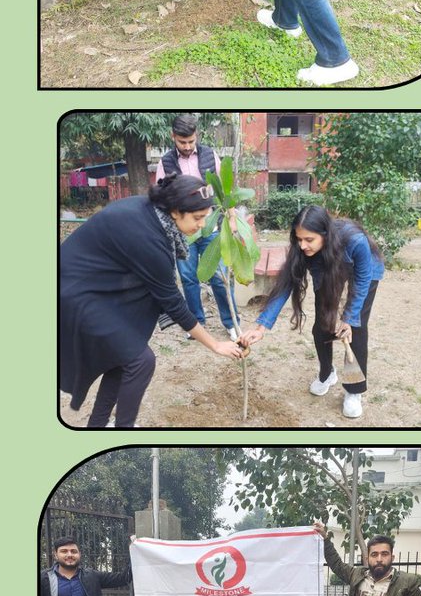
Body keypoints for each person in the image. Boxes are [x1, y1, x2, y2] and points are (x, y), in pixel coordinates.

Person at [59, 175, 244, 429]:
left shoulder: (153, 213)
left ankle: (97, 426)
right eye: (198, 218)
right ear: (177, 211)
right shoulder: (149, 237)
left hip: (96, 286)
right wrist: (215, 345)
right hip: (74, 292)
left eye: (205, 216)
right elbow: (173, 302)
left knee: (126, 356)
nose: (202, 225)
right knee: (140, 360)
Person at [238, 205, 383, 420]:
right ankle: (327, 373)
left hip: (364, 273)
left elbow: (362, 281)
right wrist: (262, 327)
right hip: (327, 269)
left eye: (309, 239)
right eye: (298, 239)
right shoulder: (305, 250)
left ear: (325, 234)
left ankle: (354, 391)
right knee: (322, 326)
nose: (302, 245)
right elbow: (285, 286)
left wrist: (349, 318)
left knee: (356, 330)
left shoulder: (355, 240)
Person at [155, 114, 238, 339]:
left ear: (196, 136)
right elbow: (161, 197)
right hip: (184, 234)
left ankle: (232, 323)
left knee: (220, 277)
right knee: (189, 279)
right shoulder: (166, 163)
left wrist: (231, 217)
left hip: (210, 228)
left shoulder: (210, 156)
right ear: (173, 137)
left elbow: (224, 190)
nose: (187, 146)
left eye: (191, 141)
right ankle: (196, 324)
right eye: (182, 142)